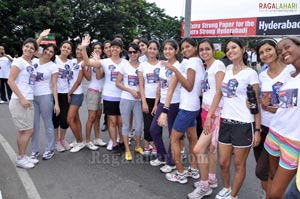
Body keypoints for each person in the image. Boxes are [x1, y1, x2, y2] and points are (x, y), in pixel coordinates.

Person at [214, 38, 261, 199]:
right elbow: (219, 94)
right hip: (225, 121)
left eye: (234, 47)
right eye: (228, 49)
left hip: (243, 124)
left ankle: (233, 195)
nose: (230, 51)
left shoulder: (251, 73)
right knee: (223, 162)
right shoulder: (227, 70)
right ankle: (226, 187)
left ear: (243, 49)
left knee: (239, 164)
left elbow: (255, 104)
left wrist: (257, 129)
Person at [255, 38, 294, 199]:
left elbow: (292, 104)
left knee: (264, 170)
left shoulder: (291, 71)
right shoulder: (262, 75)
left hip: (283, 130)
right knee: (264, 172)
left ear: (276, 50)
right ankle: (266, 194)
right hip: (263, 127)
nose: (265, 54)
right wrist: (259, 103)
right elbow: (260, 101)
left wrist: (269, 107)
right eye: (261, 52)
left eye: (268, 50)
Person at [161, 37, 204, 184]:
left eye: (188, 47)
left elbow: (189, 86)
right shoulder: (197, 61)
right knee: (193, 138)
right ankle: (193, 169)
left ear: (195, 47)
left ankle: (180, 172)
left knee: (174, 139)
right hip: (193, 106)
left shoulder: (192, 62)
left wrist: (174, 69)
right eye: (183, 48)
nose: (186, 50)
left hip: (187, 108)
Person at [188, 38, 226, 198]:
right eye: (202, 49)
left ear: (213, 50)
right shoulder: (207, 67)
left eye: (207, 49)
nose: (204, 52)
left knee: (197, 149)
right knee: (211, 149)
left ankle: (205, 186)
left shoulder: (218, 65)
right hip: (206, 110)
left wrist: (210, 115)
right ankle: (211, 179)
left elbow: (219, 91)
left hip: (215, 112)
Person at [265, 36, 300, 199]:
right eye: (280, 51)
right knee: (271, 177)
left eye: (287, 47)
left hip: (293, 141)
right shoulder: (289, 75)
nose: (283, 52)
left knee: (275, 193)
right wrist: (265, 105)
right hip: (275, 133)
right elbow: (285, 107)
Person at [81, 36, 125, 155]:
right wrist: (84, 48)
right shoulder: (104, 62)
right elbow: (87, 62)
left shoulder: (125, 63)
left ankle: (122, 142)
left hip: (122, 97)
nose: (115, 49)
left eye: (117, 47)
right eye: (113, 47)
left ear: (121, 49)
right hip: (109, 96)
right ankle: (114, 144)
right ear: (110, 49)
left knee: (121, 122)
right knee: (111, 122)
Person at [149, 39, 181, 174]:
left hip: (174, 103)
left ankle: (171, 161)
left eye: (170, 49)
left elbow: (171, 90)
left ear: (176, 51)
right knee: (154, 130)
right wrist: (157, 104)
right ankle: (162, 156)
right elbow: (160, 86)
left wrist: (165, 110)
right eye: (165, 49)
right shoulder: (163, 65)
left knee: (173, 134)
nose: (167, 51)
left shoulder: (177, 66)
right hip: (162, 102)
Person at [8, 38, 39, 169]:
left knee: (24, 131)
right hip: (20, 100)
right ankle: (20, 158)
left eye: (32, 48)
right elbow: (10, 80)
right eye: (27, 46)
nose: (29, 49)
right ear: (22, 47)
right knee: (27, 131)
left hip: (28, 99)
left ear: (35, 51)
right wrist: (22, 98)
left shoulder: (30, 62)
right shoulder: (19, 62)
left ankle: (23, 155)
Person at [30, 29, 60, 160]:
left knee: (48, 123)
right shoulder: (34, 61)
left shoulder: (53, 66)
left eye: (51, 52)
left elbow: (54, 85)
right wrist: (41, 37)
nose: (48, 53)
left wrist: (56, 103)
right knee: (34, 125)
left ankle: (50, 148)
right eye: (47, 50)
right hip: (32, 96)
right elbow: (33, 49)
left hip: (45, 96)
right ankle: (35, 150)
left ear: (53, 55)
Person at [116, 42, 144, 160]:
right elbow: (117, 83)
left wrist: (140, 94)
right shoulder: (124, 65)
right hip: (126, 98)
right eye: (130, 52)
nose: (132, 54)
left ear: (138, 53)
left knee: (138, 125)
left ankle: (137, 146)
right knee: (126, 124)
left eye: (134, 52)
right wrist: (131, 91)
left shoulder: (143, 66)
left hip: (138, 100)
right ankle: (127, 149)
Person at [138, 40, 160, 158]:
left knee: (156, 126)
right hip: (146, 99)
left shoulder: (162, 64)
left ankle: (156, 146)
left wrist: (157, 104)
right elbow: (141, 85)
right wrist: (144, 102)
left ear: (157, 51)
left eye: (154, 49)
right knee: (147, 125)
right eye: (150, 48)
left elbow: (161, 86)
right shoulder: (143, 65)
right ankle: (146, 146)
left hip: (158, 100)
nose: (152, 50)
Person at [83, 42, 107, 150]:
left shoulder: (103, 62)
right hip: (92, 91)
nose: (97, 50)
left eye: (99, 48)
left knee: (98, 117)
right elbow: (90, 78)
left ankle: (97, 138)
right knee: (91, 117)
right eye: (95, 48)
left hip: (102, 92)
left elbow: (100, 75)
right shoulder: (90, 62)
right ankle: (87, 141)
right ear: (92, 50)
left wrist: (98, 62)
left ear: (102, 50)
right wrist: (86, 66)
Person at [53, 40, 75, 152]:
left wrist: (69, 93)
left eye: (68, 48)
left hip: (65, 94)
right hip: (54, 93)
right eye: (64, 47)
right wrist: (41, 37)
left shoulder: (71, 63)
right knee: (55, 119)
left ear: (71, 51)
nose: (66, 49)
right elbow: (37, 52)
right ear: (60, 47)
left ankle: (62, 139)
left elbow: (70, 80)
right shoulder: (54, 59)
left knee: (64, 119)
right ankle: (56, 141)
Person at [67, 44, 85, 153]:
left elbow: (78, 82)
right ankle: (78, 139)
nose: (79, 51)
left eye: (81, 50)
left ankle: (80, 141)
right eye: (78, 49)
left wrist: (69, 93)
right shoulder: (72, 61)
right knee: (76, 119)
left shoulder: (84, 63)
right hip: (70, 93)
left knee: (69, 119)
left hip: (76, 94)